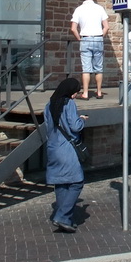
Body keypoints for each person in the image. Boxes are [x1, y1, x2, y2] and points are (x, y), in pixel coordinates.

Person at [43, 77, 87, 233]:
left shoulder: (49, 104)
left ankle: (66, 219)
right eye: (75, 92)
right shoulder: (69, 104)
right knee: (77, 182)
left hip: (53, 147)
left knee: (61, 182)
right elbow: (75, 126)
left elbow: (48, 125)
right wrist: (82, 120)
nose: (75, 95)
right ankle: (62, 216)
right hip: (66, 149)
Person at [70, 0, 110, 100]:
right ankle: (99, 92)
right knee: (98, 67)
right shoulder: (99, 8)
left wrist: (79, 39)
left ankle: (85, 93)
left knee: (86, 68)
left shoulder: (79, 9)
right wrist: (100, 36)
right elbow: (106, 27)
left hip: (85, 38)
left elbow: (73, 28)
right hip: (98, 38)